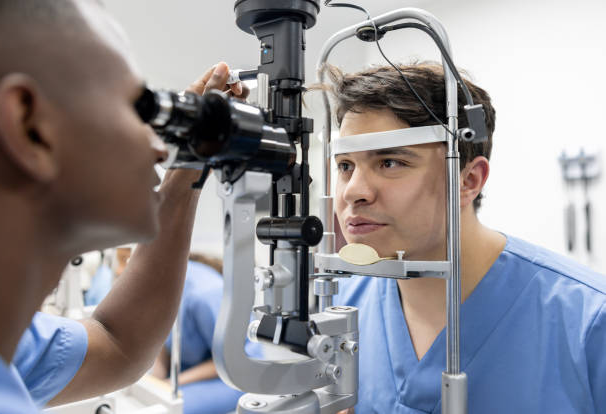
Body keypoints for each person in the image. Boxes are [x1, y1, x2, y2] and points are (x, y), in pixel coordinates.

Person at [0, 0, 246, 412]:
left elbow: (118, 343)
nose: (157, 146)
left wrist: (188, 162)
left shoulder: (10, 345)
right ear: (30, 125)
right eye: (136, 107)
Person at [324, 63, 606, 413]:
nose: (353, 192)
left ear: (469, 181)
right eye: (345, 166)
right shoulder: (340, 309)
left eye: (390, 162)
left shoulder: (589, 324)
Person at [152, 254, 257, 414]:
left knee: (166, 408)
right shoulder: (163, 283)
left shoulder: (206, 294)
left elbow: (231, 359)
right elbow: (163, 339)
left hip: (234, 372)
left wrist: (170, 384)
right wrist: (154, 381)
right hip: (192, 365)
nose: (118, 270)